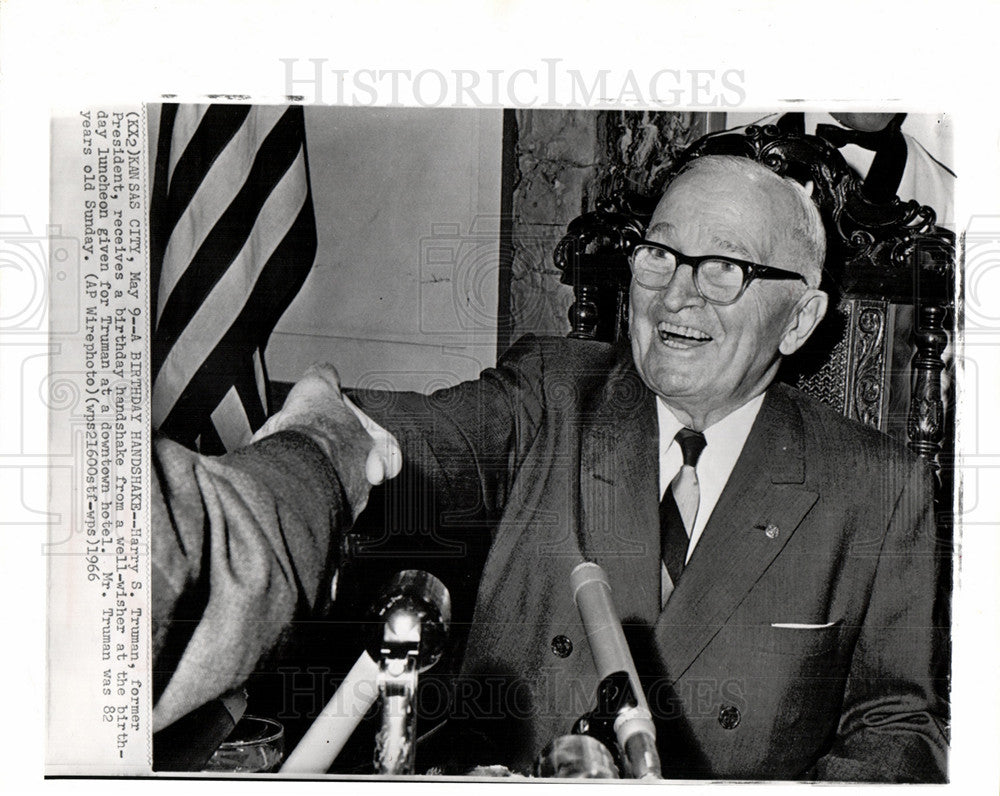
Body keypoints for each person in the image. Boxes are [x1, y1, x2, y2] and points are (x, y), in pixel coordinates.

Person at [152, 154, 948, 781]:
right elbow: (425, 436)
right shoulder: (554, 392)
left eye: (723, 270)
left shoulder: (879, 488)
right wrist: (334, 437)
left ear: (800, 318)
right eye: (660, 255)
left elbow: (895, 731)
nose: (676, 297)